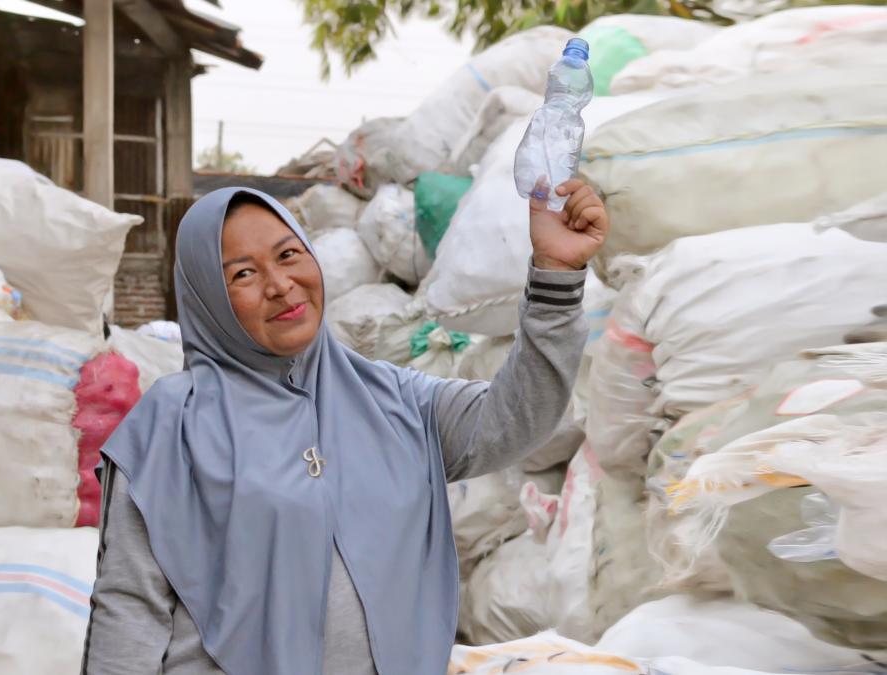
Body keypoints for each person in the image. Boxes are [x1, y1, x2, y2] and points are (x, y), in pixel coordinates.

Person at [83, 180, 609, 675]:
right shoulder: (171, 425)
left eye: (289, 254)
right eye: (242, 274)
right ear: (207, 300)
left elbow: (516, 419)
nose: (280, 285)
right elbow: (130, 605)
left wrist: (554, 279)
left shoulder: (394, 400)